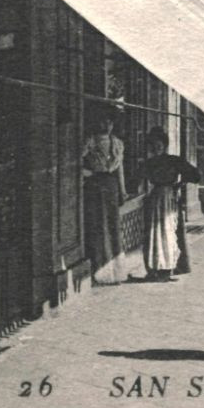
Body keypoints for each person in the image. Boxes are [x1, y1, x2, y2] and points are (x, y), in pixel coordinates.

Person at [138, 128, 200, 283]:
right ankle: (155, 268)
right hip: (156, 198)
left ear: (164, 145)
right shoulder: (149, 163)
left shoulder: (174, 160)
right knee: (155, 232)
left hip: (170, 198)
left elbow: (195, 175)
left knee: (168, 230)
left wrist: (180, 183)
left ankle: (168, 268)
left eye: (159, 146)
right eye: (153, 147)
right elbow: (136, 180)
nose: (156, 149)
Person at [81, 115, 126, 285]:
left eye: (109, 121)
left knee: (113, 226)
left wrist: (122, 191)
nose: (106, 124)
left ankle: (116, 272)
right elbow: (75, 161)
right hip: (95, 186)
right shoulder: (90, 142)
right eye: (102, 121)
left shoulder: (117, 143)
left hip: (111, 186)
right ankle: (101, 272)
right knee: (98, 226)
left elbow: (119, 169)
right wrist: (88, 174)